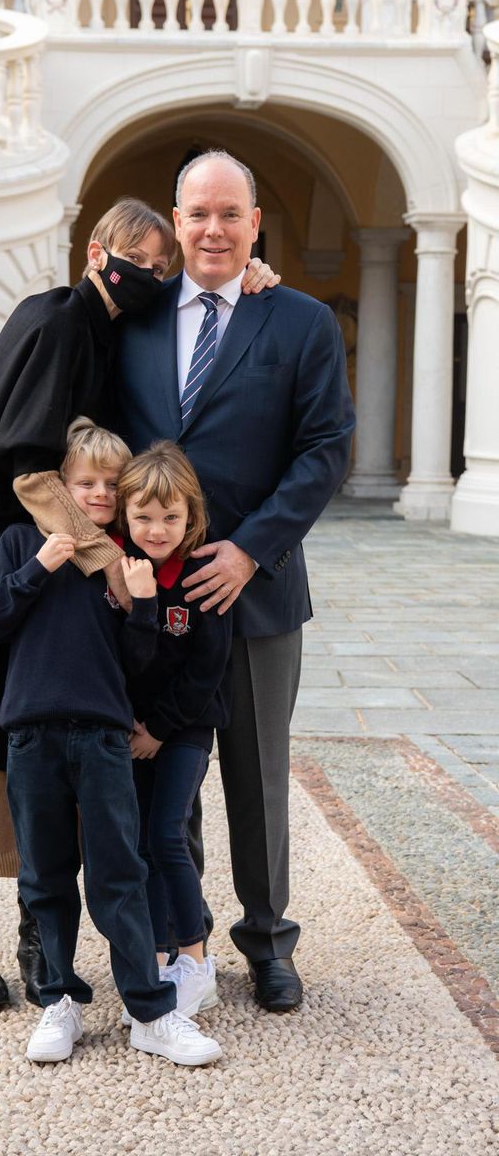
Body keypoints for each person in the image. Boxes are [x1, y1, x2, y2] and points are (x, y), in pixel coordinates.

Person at [0, 196, 278, 1011]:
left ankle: (43, 939)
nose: (146, 276)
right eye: (134, 261)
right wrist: (111, 562)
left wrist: (253, 278)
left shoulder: (111, 331)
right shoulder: (53, 321)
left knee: (47, 761)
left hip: (62, 588)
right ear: (93, 251)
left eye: (160, 266)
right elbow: (30, 470)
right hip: (7, 571)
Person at [114, 150, 356, 1013]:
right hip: (150, 599)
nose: (212, 229)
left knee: (257, 778)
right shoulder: (131, 321)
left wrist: (251, 548)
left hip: (256, 594)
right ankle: (185, 942)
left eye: (229, 214)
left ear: (256, 224)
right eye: (197, 214)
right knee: (162, 771)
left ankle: (267, 941)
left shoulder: (297, 322)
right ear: (175, 224)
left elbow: (326, 447)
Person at [0, 419, 222, 1067]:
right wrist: (37, 567)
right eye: (84, 481)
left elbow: (139, 666)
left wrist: (141, 605)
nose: (97, 493)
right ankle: (60, 1000)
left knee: (120, 874)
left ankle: (150, 1011)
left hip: (105, 737)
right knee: (46, 875)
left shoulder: (122, 566)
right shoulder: (19, 542)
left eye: (111, 484)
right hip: (31, 732)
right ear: (62, 482)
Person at [115, 441, 232, 1021]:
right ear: (124, 514)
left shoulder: (199, 576)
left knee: (168, 835)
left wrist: (160, 728)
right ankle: (160, 954)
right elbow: (127, 662)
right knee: (139, 842)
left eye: (170, 517)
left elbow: (208, 668)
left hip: (184, 728)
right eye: (143, 517)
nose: (156, 529)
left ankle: (196, 958)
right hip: (132, 731)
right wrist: (138, 604)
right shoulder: (120, 572)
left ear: (192, 517)